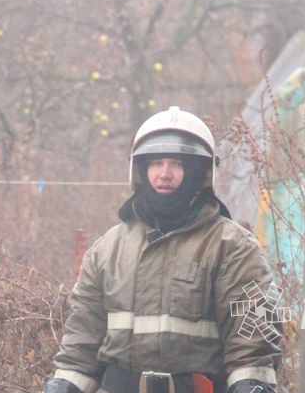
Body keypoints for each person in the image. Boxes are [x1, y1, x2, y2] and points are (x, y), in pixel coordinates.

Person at [43, 106, 281, 393]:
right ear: (141, 170)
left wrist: (251, 384)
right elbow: (82, 337)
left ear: (198, 172)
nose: (164, 174)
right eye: (156, 163)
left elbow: (254, 338)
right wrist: (65, 384)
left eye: (176, 164)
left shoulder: (233, 248)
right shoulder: (107, 250)